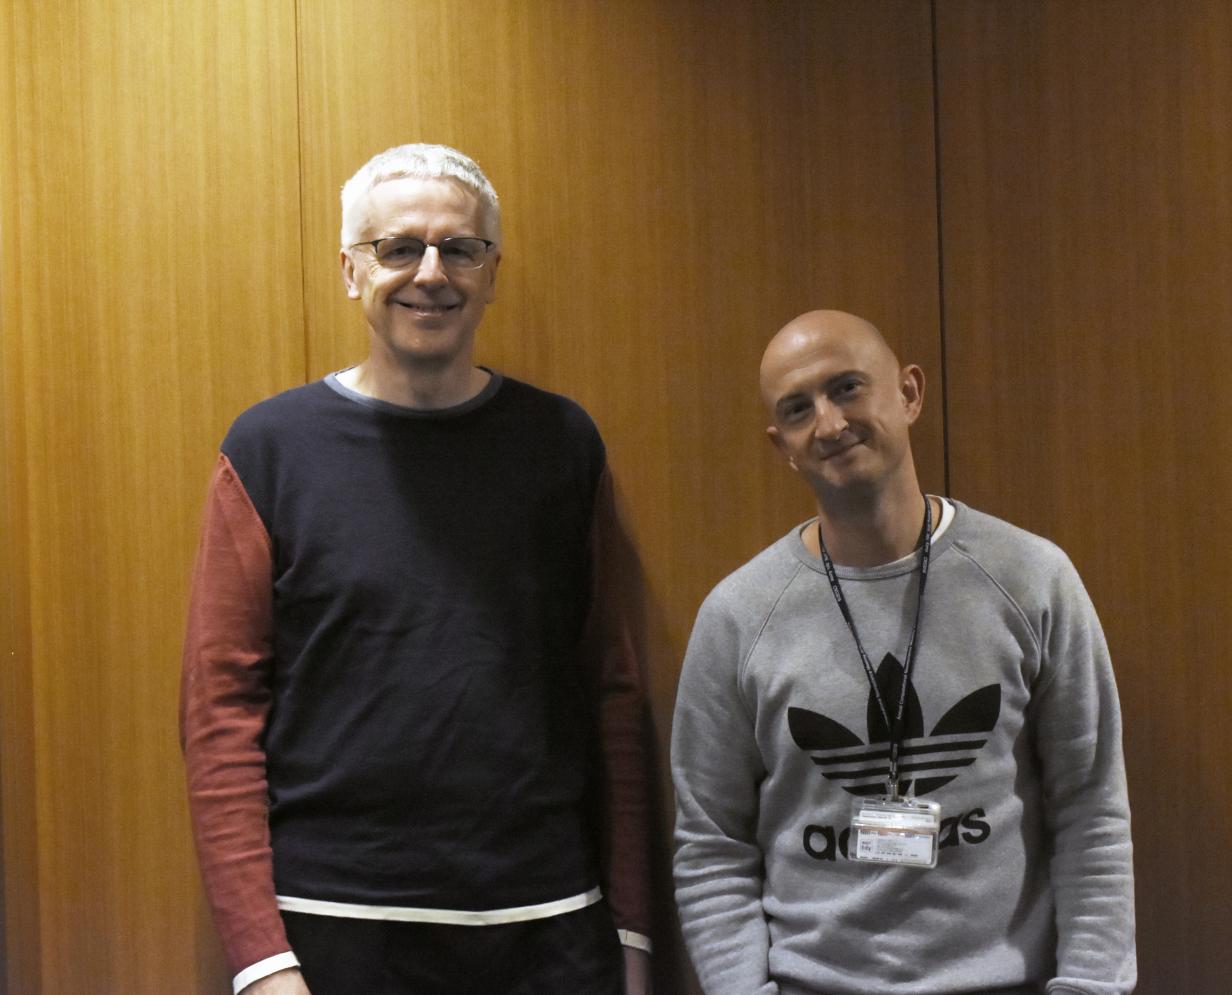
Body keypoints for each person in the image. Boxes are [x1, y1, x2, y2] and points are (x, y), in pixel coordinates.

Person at [180, 144, 651, 995]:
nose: (431, 273)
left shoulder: (562, 444)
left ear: (492, 272)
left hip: (547, 925)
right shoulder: (270, 450)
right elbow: (220, 710)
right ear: (351, 270)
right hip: (332, 930)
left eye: (459, 248)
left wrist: (633, 930)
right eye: (399, 247)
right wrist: (260, 961)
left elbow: (610, 691)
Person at [670, 310, 1135, 995]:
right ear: (782, 444)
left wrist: (1089, 986)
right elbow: (711, 846)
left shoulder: (1031, 579)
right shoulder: (737, 618)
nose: (829, 423)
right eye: (798, 409)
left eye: (847, 388)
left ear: (910, 392)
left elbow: (1092, 809)